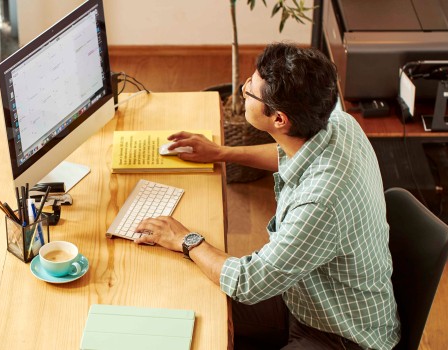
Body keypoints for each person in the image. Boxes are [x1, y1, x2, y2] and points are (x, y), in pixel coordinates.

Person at [132, 43, 400, 349]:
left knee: (201, 286)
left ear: (279, 120)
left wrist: (186, 239)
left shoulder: (320, 202)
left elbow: (248, 282)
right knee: (188, 300)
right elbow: (289, 154)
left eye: (251, 90)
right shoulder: (338, 123)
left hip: (340, 334)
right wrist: (220, 152)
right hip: (305, 297)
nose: (244, 89)